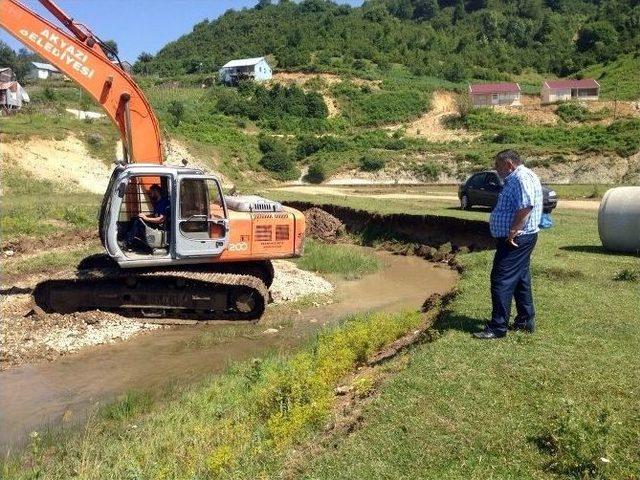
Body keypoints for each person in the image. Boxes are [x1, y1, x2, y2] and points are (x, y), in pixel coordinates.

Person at [473, 150, 543, 339]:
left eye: (498, 165)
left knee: (501, 279)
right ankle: (525, 321)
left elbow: (526, 205)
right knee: (520, 279)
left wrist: (514, 230)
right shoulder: (519, 177)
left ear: (509, 164)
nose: (496, 169)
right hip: (520, 237)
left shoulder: (521, 178)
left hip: (516, 238)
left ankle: (498, 327)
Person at [125, 184, 170, 251]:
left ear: (156, 191)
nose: (150, 194)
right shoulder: (158, 202)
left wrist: (146, 218)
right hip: (156, 223)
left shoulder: (164, 203)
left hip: (160, 226)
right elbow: (156, 215)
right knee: (134, 219)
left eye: (151, 192)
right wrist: (145, 216)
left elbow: (161, 219)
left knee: (138, 222)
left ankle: (127, 243)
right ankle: (128, 239)